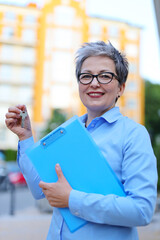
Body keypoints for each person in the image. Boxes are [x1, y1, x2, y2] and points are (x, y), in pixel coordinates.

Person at [5, 41, 157, 240]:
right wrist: (25, 137)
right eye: (86, 76)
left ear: (120, 87)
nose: (94, 83)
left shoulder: (133, 134)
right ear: (79, 85)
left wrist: (71, 199)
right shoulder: (66, 132)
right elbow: (39, 190)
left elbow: (142, 209)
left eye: (105, 76)